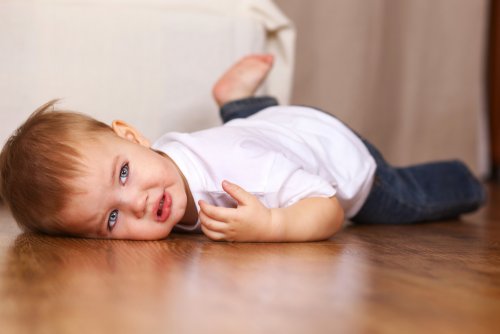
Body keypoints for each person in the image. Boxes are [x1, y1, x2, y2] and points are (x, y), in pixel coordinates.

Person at [0, 55, 486, 242]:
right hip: (270, 130)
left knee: (407, 198)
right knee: (249, 128)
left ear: (131, 136)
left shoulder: (239, 172)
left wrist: (272, 224)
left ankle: (468, 181)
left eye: (123, 175)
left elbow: (328, 206)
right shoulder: (163, 160)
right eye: (111, 220)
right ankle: (238, 103)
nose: (138, 203)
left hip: (335, 154)